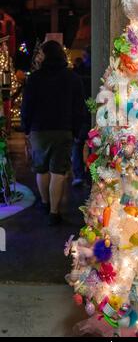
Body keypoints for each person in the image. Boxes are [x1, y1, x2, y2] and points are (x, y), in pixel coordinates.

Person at [21, 40, 86, 225]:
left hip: (39, 130)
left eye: (41, 53)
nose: (39, 57)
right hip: (64, 129)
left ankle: (44, 202)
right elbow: (79, 107)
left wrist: (26, 129)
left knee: (41, 169)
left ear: (46, 56)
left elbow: (27, 106)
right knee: (58, 171)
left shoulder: (34, 79)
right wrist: (75, 130)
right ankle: (54, 212)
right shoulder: (73, 78)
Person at [71, 47, 91, 187]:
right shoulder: (96, 70)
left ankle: (79, 175)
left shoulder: (76, 74)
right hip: (90, 112)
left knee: (77, 144)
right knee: (91, 145)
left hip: (80, 113)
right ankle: (89, 175)